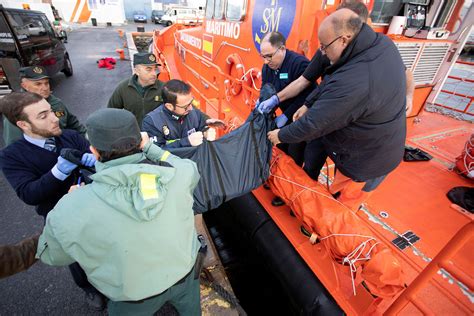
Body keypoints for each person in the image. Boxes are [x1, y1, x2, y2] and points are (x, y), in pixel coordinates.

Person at [37, 108, 202, 315]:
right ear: (138, 142)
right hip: (185, 277)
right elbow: (187, 166)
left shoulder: (69, 208)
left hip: (132, 297)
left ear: (94, 151)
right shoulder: (180, 175)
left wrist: (68, 201)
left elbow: (51, 255)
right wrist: (150, 147)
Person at [267, 9, 407, 210]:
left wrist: (281, 135)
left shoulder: (356, 80)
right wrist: (307, 104)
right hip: (355, 141)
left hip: (368, 160)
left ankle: (324, 233)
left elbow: (313, 124)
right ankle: (306, 204)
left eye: (324, 47)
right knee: (321, 169)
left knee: (342, 205)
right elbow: (330, 80)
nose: (321, 52)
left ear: (343, 39)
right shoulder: (378, 45)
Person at [0, 92, 105, 309]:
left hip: (94, 206)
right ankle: (88, 287)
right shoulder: (12, 156)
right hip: (58, 215)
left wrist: (97, 163)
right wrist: (58, 171)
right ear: (23, 125)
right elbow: (28, 194)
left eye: (50, 110)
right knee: (75, 257)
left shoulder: (70, 137)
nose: (54, 118)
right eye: (42, 116)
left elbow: (98, 169)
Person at [2, 66, 86, 146]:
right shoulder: (16, 110)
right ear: (24, 86)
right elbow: (14, 145)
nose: (45, 88)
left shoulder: (55, 102)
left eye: (46, 83)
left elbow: (74, 125)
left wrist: (88, 143)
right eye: (38, 84)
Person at [142, 79, 225, 149]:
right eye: (186, 106)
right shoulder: (151, 122)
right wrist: (186, 142)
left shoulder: (192, 112)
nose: (191, 108)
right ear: (169, 106)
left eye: (191, 103)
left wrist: (206, 131)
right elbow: (154, 153)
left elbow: (202, 125)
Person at [107, 52, 165, 126]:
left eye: (155, 69)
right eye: (149, 69)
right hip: (132, 134)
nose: (154, 73)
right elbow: (111, 113)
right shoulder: (123, 88)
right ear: (136, 71)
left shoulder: (164, 88)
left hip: (156, 134)